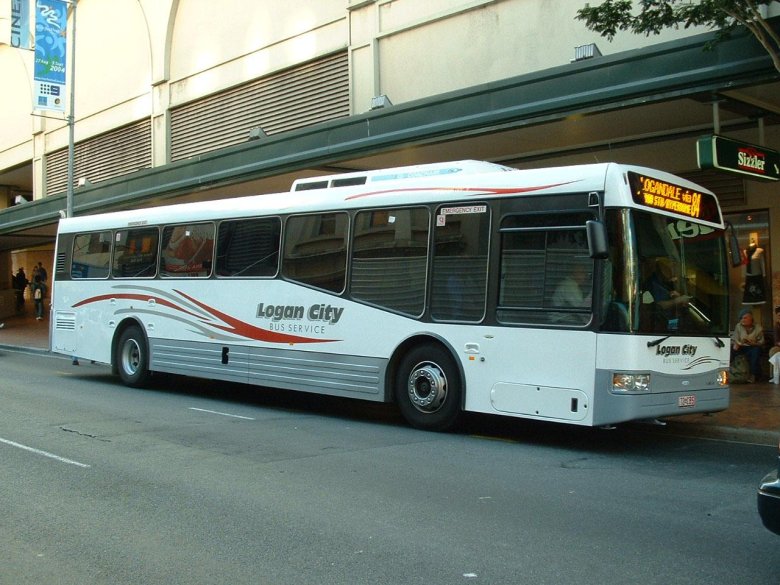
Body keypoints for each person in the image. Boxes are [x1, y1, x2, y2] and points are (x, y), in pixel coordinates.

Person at [732, 308, 764, 383]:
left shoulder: (758, 327)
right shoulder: (738, 326)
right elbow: (735, 338)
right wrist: (737, 343)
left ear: (751, 318)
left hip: (753, 347)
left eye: (745, 318)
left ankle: (753, 375)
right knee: (732, 350)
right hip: (741, 347)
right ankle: (734, 372)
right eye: (741, 318)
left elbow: (761, 341)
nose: (743, 320)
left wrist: (754, 343)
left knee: (756, 352)